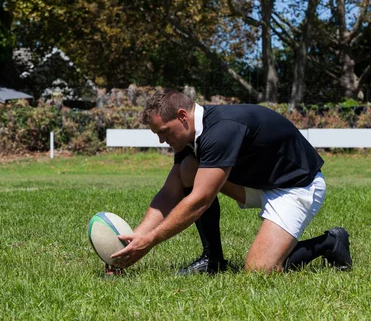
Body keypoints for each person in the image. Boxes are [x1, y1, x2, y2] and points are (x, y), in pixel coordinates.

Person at [110, 88, 352, 273]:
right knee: (188, 168)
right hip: (258, 183)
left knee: (259, 271)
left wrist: (150, 241)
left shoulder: (221, 130)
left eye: (163, 131)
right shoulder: (190, 135)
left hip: (296, 187)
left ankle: (329, 242)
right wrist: (134, 242)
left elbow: (199, 200)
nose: (162, 140)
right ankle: (212, 260)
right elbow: (169, 192)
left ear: (182, 116)